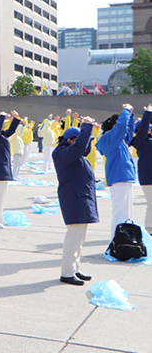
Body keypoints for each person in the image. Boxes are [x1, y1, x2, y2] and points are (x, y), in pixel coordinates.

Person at [52, 121, 98, 286]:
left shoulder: (73, 153)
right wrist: (86, 126)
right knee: (73, 238)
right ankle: (67, 273)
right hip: (74, 198)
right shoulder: (62, 152)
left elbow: (83, 149)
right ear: (71, 140)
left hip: (81, 198)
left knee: (80, 238)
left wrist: (89, 134)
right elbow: (79, 148)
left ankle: (74, 268)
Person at [96, 104, 136, 238]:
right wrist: (125, 111)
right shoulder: (110, 138)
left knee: (126, 213)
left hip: (123, 177)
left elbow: (129, 132)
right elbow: (121, 127)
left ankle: (124, 239)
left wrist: (130, 115)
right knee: (120, 213)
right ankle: (116, 240)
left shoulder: (116, 139)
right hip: (119, 177)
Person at [132, 104, 152, 234]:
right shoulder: (139, 141)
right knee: (151, 205)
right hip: (148, 177)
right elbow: (143, 129)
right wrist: (148, 113)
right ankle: (149, 229)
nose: (150, 131)